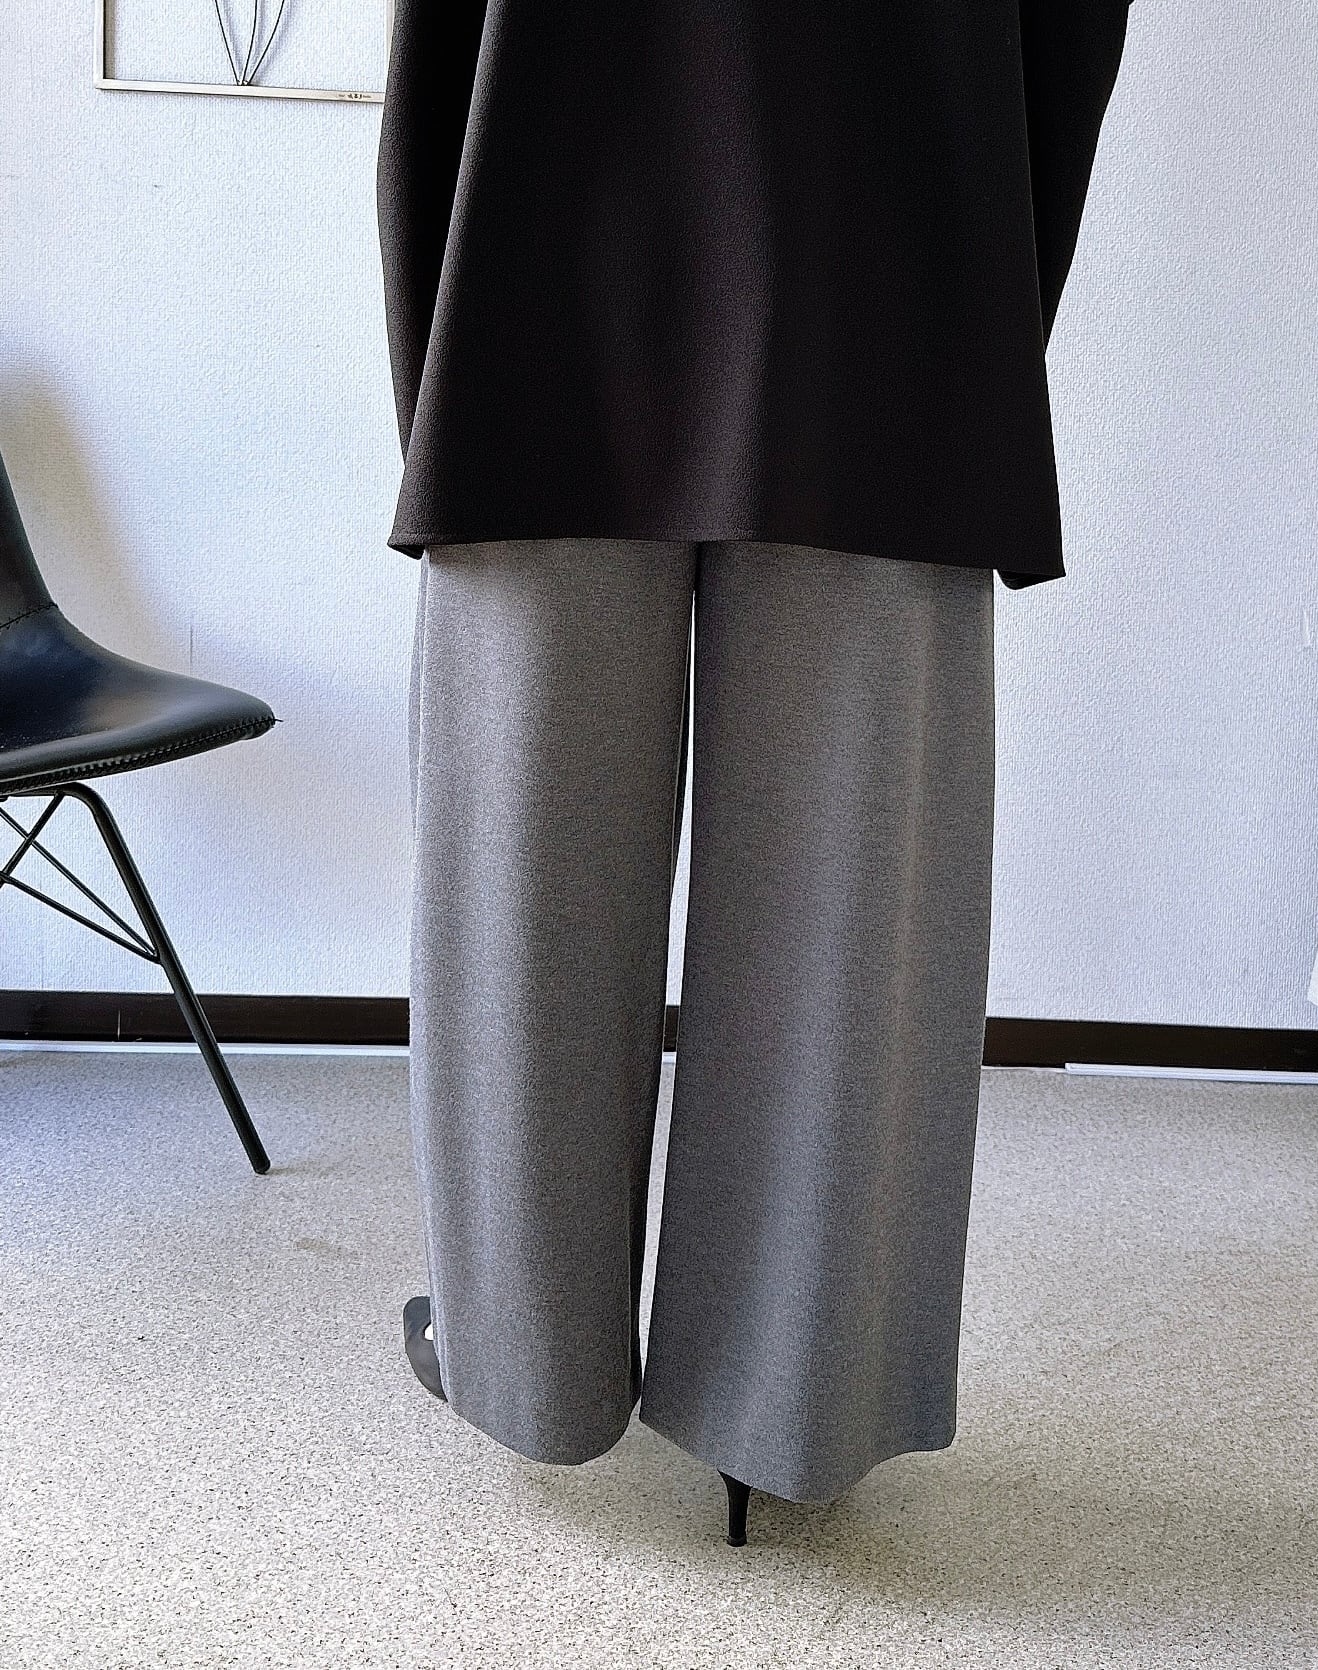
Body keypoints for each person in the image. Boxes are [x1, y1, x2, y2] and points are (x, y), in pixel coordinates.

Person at [377, 0, 1136, 1546]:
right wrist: (980, 311)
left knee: (526, 878)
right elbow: (1071, 34)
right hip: (894, 254)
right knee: (849, 911)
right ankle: (784, 1406)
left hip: (541, 242)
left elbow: (437, 45)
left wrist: (441, 366)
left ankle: (528, 1367)